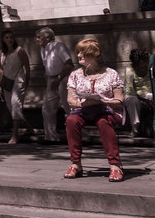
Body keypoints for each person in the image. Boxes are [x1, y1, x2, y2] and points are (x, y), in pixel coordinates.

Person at [64, 38, 125, 181]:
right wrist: (83, 104)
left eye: (82, 53)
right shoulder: (75, 75)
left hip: (106, 110)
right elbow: (70, 100)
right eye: (78, 52)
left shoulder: (111, 74)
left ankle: (115, 166)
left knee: (103, 122)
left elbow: (119, 100)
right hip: (83, 110)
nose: (78, 55)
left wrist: (103, 101)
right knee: (71, 120)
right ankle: (75, 164)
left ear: (93, 55)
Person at [37, 27, 74, 143]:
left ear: (47, 38)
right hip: (51, 80)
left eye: (39, 37)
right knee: (47, 108)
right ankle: (51, 137)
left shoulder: (59, 46)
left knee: (69, 108)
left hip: (63, 78)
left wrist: (59, 78)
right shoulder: (42, 49)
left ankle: (79, 135)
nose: (37, 40)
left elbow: (69, 64)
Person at [0, 30, 32, 144]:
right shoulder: (1, 52)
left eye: (11, 37)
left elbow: (27, 67)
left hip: (18, 81)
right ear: (3, 40)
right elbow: (2, 68)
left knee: (15, 104)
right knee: (11, 107)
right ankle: (29, 128)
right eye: (7, 37)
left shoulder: (20, 51)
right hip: (7, 82)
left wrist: (27, 81)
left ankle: (15, 135)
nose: (10, 40)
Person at [123, 48, 152, 138]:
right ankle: (135, 128)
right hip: (135, 95)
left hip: (149, 94)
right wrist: (146, 101)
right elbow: (129, 91)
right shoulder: (129, 70)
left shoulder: (151, 67)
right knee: (131, 99)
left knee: (151, 96)